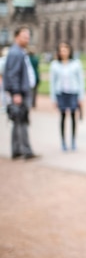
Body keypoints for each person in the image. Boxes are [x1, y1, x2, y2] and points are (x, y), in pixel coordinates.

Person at [3, 26, 38, 160]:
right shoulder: (16, 53)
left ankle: (16, 149)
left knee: (17, 121)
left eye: (28, 37)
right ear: (17, 36)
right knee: (22, 120)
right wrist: (16, 93)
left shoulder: (18, 51)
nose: (27, 39)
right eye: (25, 37)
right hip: (20, 93)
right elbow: (13, 75)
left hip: (21, 91)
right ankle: (26, 150)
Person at [49, 42, 86, 151]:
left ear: (70, 51)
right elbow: (52, 82)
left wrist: (81, 97)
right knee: (63, 117)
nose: (64, 52)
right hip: (61, 93)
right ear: (59, 52)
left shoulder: (76, 63)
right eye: (62, 50)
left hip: (73, 92)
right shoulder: (55, 65)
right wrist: (53, 98)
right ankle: (63, 142)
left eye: (66, 49)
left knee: (74, 117)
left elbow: (81, 80)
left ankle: (73, 141)